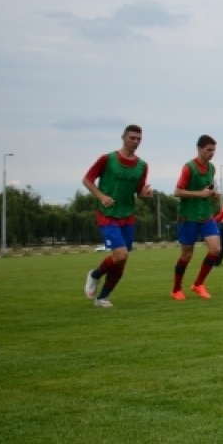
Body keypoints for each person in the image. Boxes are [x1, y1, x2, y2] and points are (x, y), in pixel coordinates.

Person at [81, 124, 152, 308]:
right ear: (123, 137)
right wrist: (101, 196)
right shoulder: (107, 159)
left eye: (139, 139)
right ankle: (95, 275)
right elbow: (87, 180)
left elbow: (140, 192)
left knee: (122, 260)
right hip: (108, 214)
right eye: (132, 138)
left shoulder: (142, 166)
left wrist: (145, 194)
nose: (135, 142)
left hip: (127, 215)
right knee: (120, 255)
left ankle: (102, 297)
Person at [172, 135, 222, 300]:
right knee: (186, 255)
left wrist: (212, 194)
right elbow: (177, 192)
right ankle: (176, 289)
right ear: (199, 149)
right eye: (209, 150)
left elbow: (206, 188)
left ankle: (198, 284)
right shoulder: (189, 168)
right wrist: (200, 194)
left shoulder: (212, 168)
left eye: (213, 150)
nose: (212, 153)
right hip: (188, 217)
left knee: (215, 249)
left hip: (206, 215)